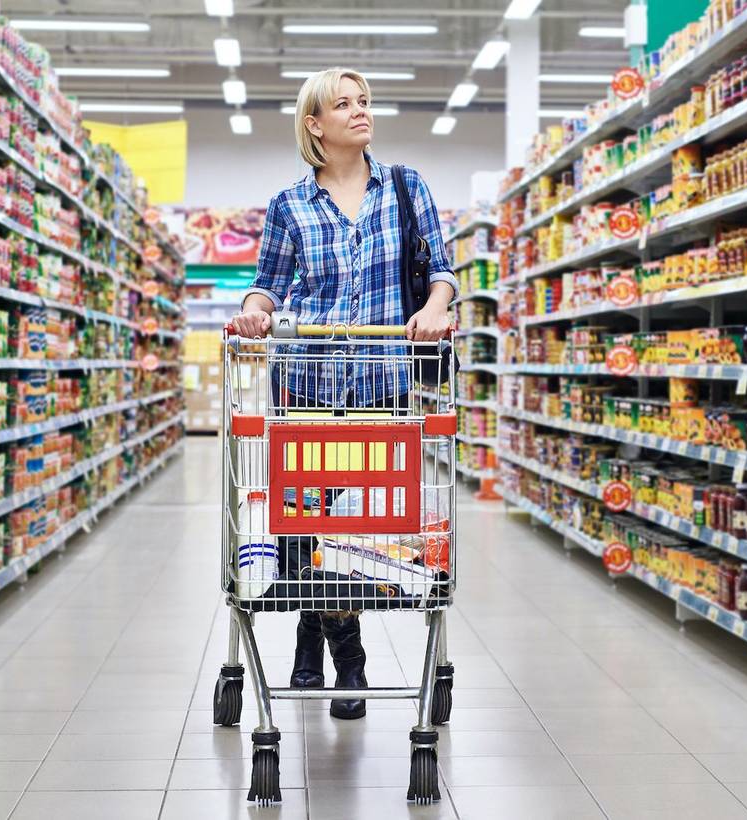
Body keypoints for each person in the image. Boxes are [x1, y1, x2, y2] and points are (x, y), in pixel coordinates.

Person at [231, 67, 458, 720]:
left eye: (365, 102)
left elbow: (440, 270)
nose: (360, 112)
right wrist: (252, 312)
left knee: (359, 531)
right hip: (304, 386)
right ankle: (347, 654)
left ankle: (316, 638)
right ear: (314, 124)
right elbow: (268, 284)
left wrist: (439, 305)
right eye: (343, 104)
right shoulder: (288, 205)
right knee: (307, 531)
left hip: (383, 391)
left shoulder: (407, 188)